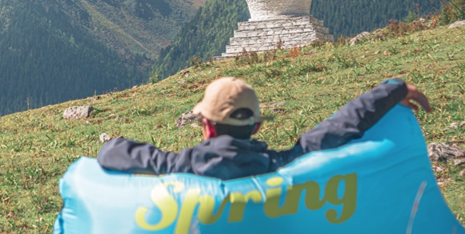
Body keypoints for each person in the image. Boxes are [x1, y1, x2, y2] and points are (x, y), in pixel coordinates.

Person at [97, 76, 430, 179]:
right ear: (256, 128)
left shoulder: (180, 167)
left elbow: (111, 152)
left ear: (207, 127)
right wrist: (393, 89)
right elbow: (339, 127)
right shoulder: (282, 165)